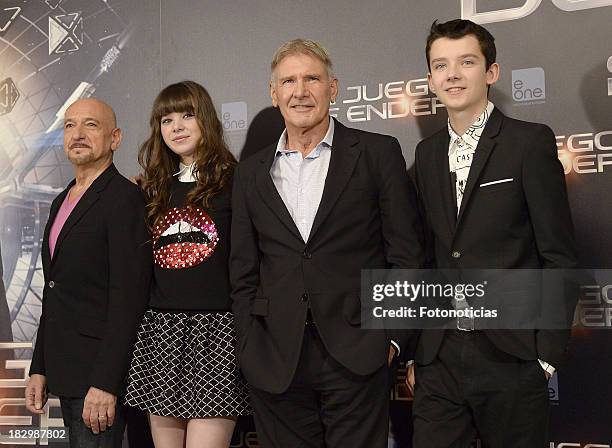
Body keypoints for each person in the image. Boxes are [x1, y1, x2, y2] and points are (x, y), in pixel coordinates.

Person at [230, 39, 424, 447]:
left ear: (332, 88)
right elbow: (243, 271)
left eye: (312, 78)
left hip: (358, 353)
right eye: (289, 81)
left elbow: (405, 255)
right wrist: (250, 343)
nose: (300, 91)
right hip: (274, 359)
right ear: (273, 93)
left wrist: (389, 340)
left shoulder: (377, 153)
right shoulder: (250, 173)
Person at [408, 19, 578, 447]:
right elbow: (425, 256)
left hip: (512, 357)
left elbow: (557, 254)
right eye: (441, 65)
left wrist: (545, 357)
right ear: (430, 79)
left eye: (466, 62)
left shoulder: (528, 143)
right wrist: (419, 350)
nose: (453, 74)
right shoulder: (426, 155)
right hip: (440, 357)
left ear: (491, 72)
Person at [124, 81, 251, 448]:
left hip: (218, 334)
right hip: (161, 332)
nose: (176, 126)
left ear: (206, 120)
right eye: (166, 120)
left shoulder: (236, 180)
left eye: (187, 115)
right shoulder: (154, 190)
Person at [25, 98, 152, 447]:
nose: (77, 134)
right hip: (65, 372)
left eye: (91, 125)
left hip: (98, 380)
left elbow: (129, 298)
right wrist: (40, 367)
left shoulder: (124, 198)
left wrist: (106, 382)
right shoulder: (60, 200)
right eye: (69, 125)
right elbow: (55, 291)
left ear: (115, 138)